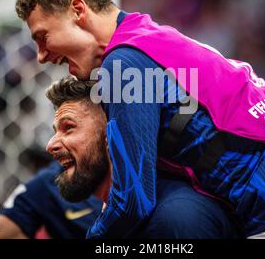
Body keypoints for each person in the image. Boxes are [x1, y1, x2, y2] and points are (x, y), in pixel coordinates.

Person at [15, 0, 265, 239]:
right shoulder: (152, 37)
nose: (42, 56)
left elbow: (132, 201)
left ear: (78, 10)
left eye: (43, 36)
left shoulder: (124, 64)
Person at [44, 76, 239, 239]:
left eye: (68, 127)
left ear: (112, 133)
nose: (50, 145)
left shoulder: (175, 217)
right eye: (55, 131)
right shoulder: (116, 215)